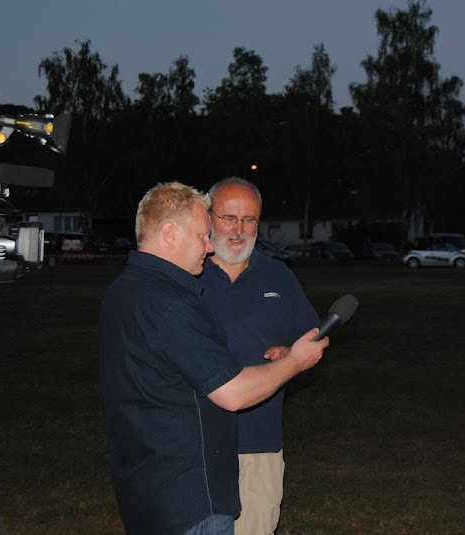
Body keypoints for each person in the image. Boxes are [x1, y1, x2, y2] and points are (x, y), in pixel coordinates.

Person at [98, 182, 328, 535]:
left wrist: (290, 353)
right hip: (188, 491)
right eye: (204, 234)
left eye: (249, 220)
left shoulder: (125, 289)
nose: (209, 246)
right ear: (170, 233)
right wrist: (295, 361)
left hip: (151, 480)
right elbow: (232, 392)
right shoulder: (173, 302)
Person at [199, 177, 318, 535]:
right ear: (208, 217)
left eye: (248, 219)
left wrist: (292, 354)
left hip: (259, 441)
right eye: (229, 218)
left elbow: (313, 339)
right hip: (194, 443)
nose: (238, 230)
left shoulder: (278, 275)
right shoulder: (188, 274)